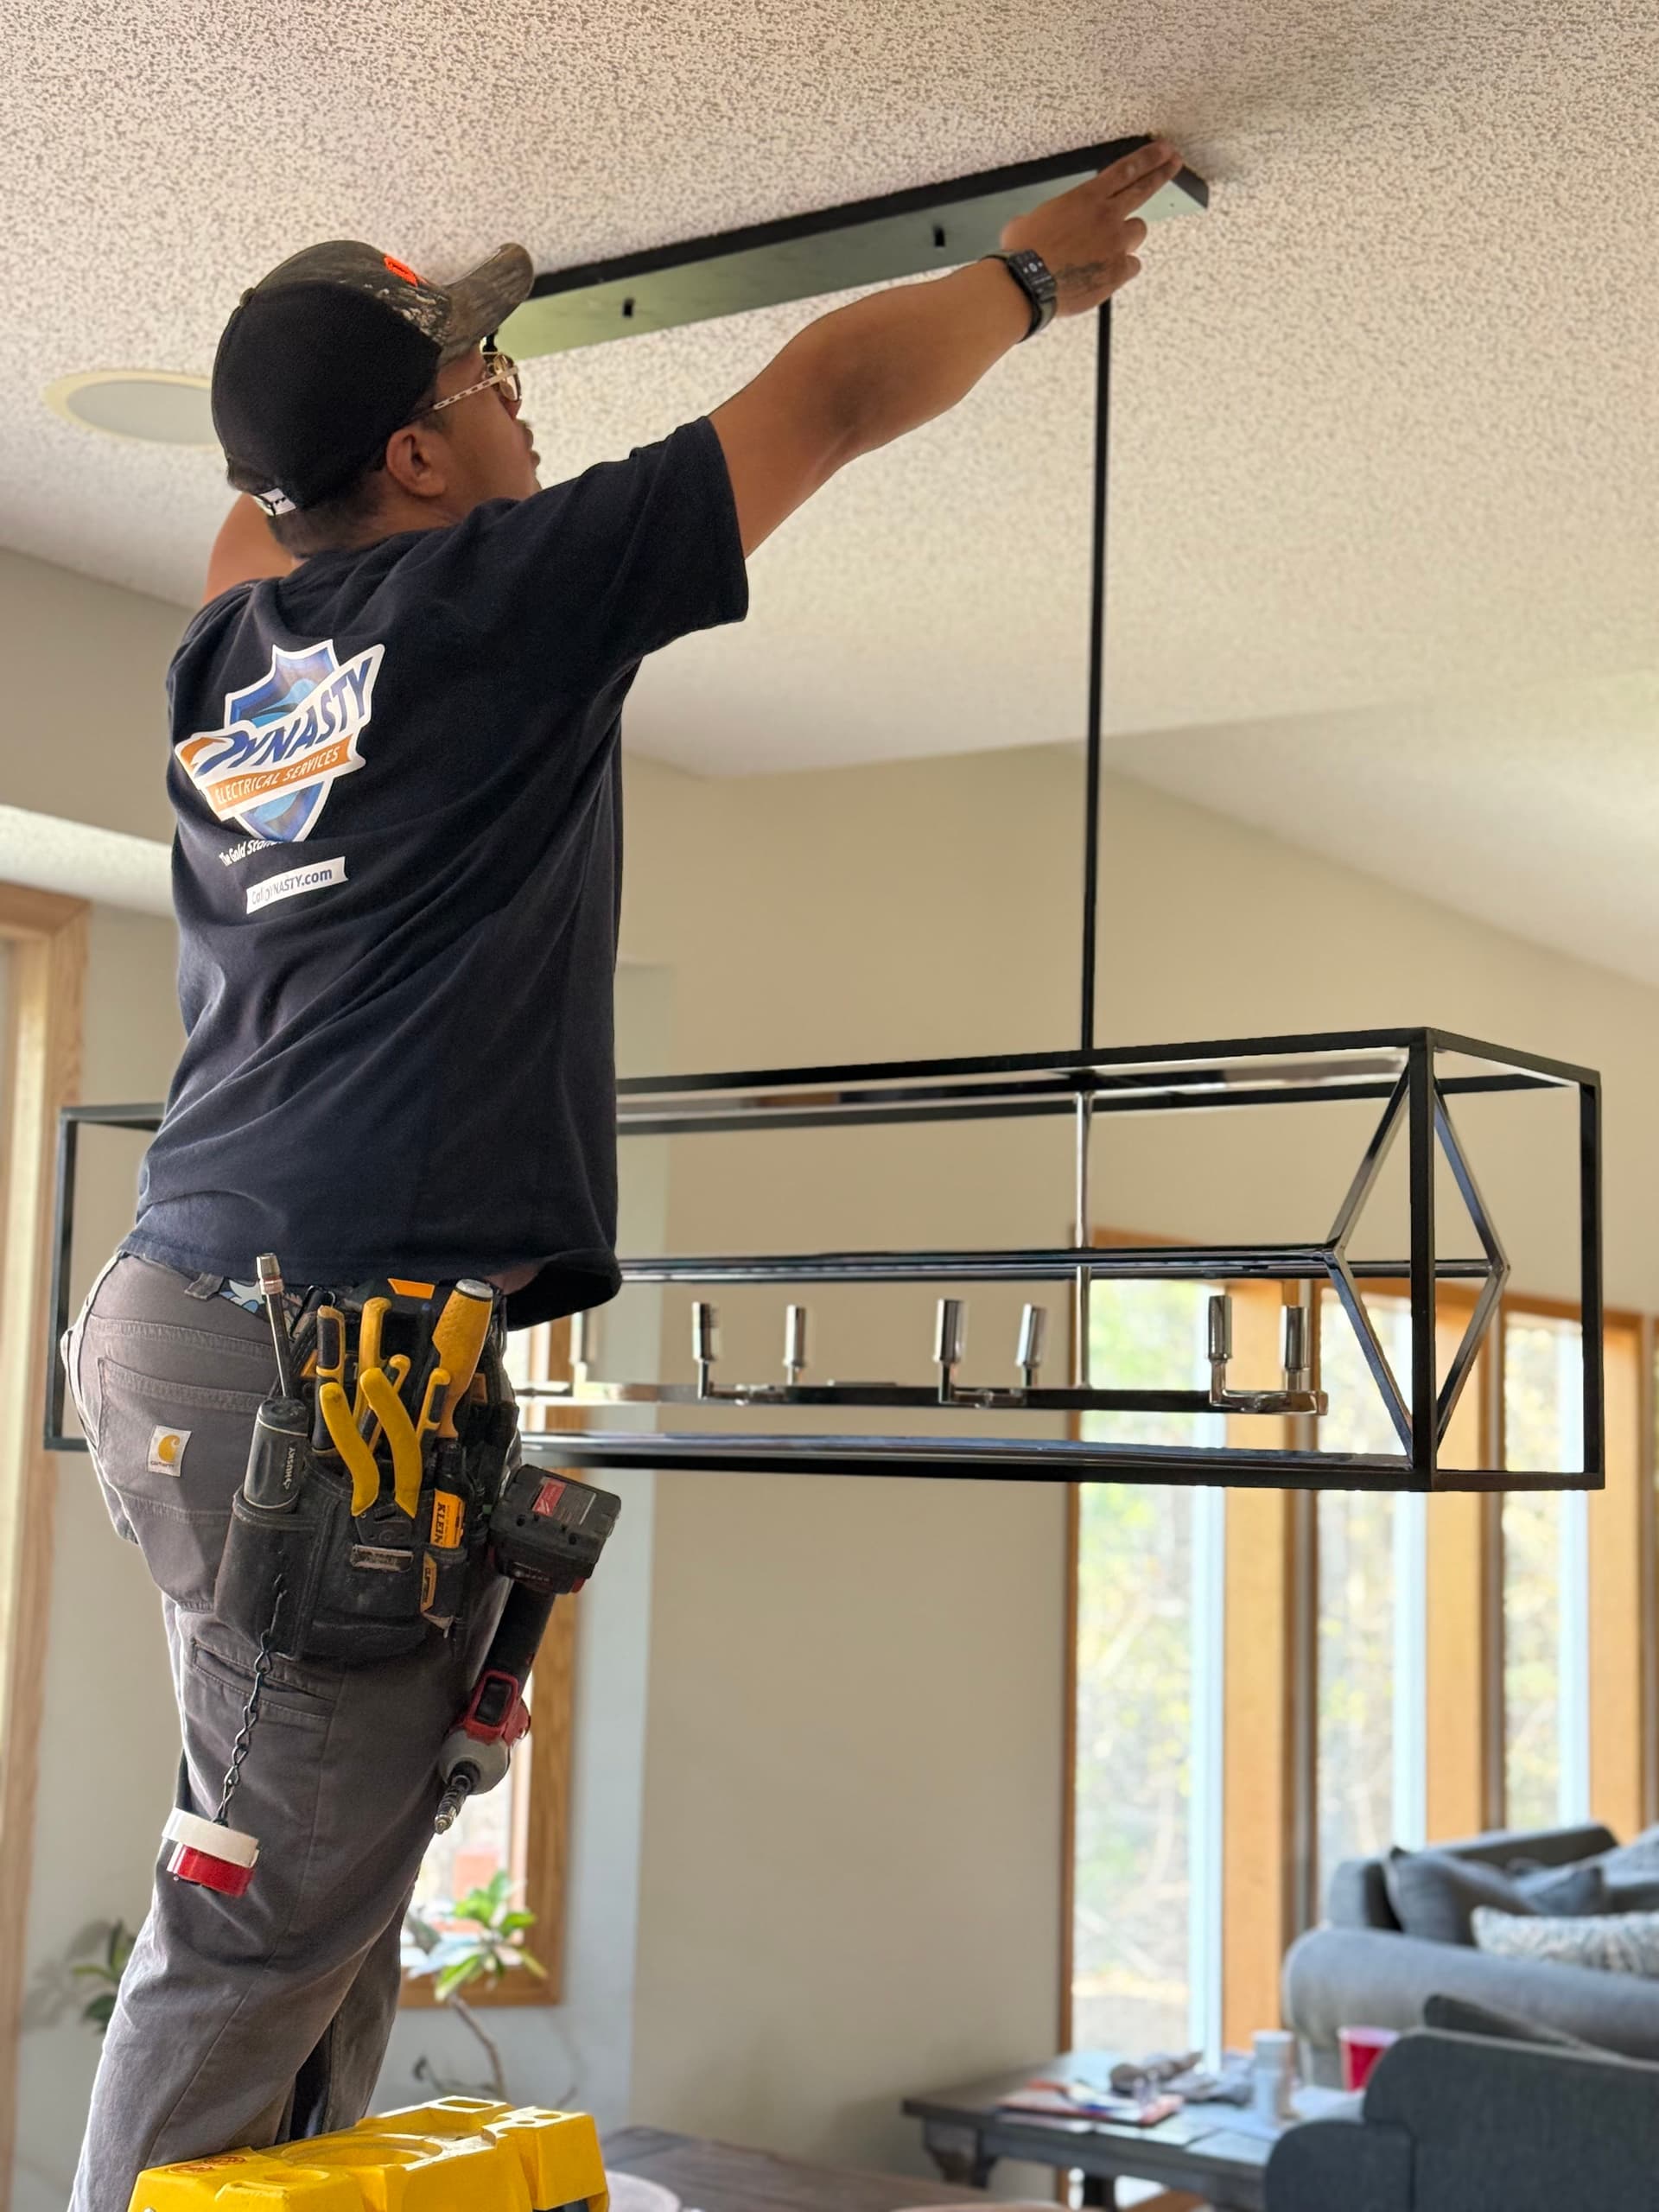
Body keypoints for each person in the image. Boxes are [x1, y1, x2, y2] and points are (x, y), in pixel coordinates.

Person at [62, 137, 1182, 2209]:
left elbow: (266, 491)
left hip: (214, 1325)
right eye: (489, 383)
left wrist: (406, 360)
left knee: (321, 1869)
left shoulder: (239, 650)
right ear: (410, 457)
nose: (525, 403)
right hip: (318, 1351)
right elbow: (828, 402)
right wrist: (1027, 272)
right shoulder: (499, 593)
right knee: (265, 1895)